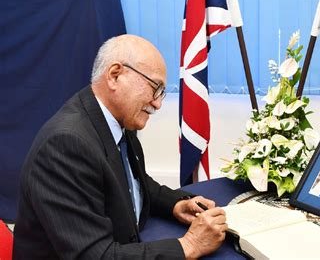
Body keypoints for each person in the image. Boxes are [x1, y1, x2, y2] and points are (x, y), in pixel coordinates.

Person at [13, 34, 227, 259]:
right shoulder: (65, 145)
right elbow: (96, 256)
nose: (158, 103)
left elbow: (131, 183)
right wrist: (189, 245)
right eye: (155, 88)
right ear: (115, 75)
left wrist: (175, 204)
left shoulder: (115, 119)